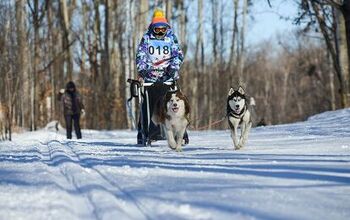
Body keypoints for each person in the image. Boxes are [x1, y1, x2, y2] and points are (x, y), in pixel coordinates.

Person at [135, 8, 188, 145]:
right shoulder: (146, 38)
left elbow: (178, 55)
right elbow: (141, 55)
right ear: (152, 28)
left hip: (168, 77)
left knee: (174, 104)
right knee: (148, 105)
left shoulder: (171, 38)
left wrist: (173, 68)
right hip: (150, 78)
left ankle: (181, 134)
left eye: (162, 29)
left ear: (166, 28)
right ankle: (149, 133)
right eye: (157, 29)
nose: (159, 32)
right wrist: (143, 70)